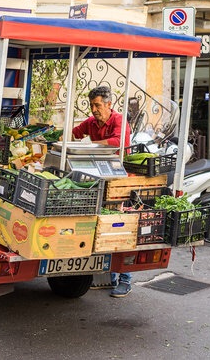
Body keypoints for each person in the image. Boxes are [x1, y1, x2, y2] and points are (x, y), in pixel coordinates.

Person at [72, 86, 132, 297]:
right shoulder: (91, 122)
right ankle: (109, 276)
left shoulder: (118, 120)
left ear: (108, 104)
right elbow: (75, 133)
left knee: (119, 227)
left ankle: (125, 278)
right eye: (92, 105)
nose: (94, 109)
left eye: (97, 105)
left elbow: (119, 142)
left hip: (118, 180)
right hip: (98, 180)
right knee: (100, 226)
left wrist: (93, 146)